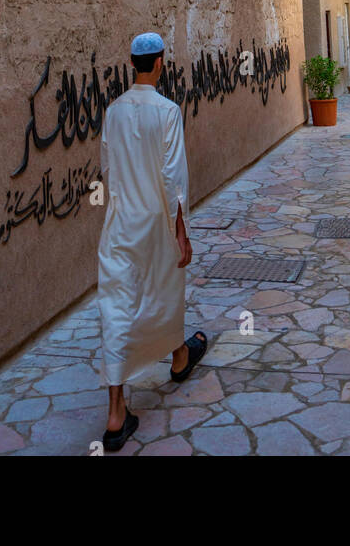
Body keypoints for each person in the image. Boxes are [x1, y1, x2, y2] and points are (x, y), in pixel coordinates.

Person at [97, 31, 207, 452]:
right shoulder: (167, 112)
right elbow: (173, 178)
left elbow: (108, 169)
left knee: (117, 304)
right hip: (155, 222)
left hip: (120, 224)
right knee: (163, 292)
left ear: (133, 64)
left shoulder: (113, 111)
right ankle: (178, 359)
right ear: (160, 62)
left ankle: (117, 411)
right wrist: (181, 231)